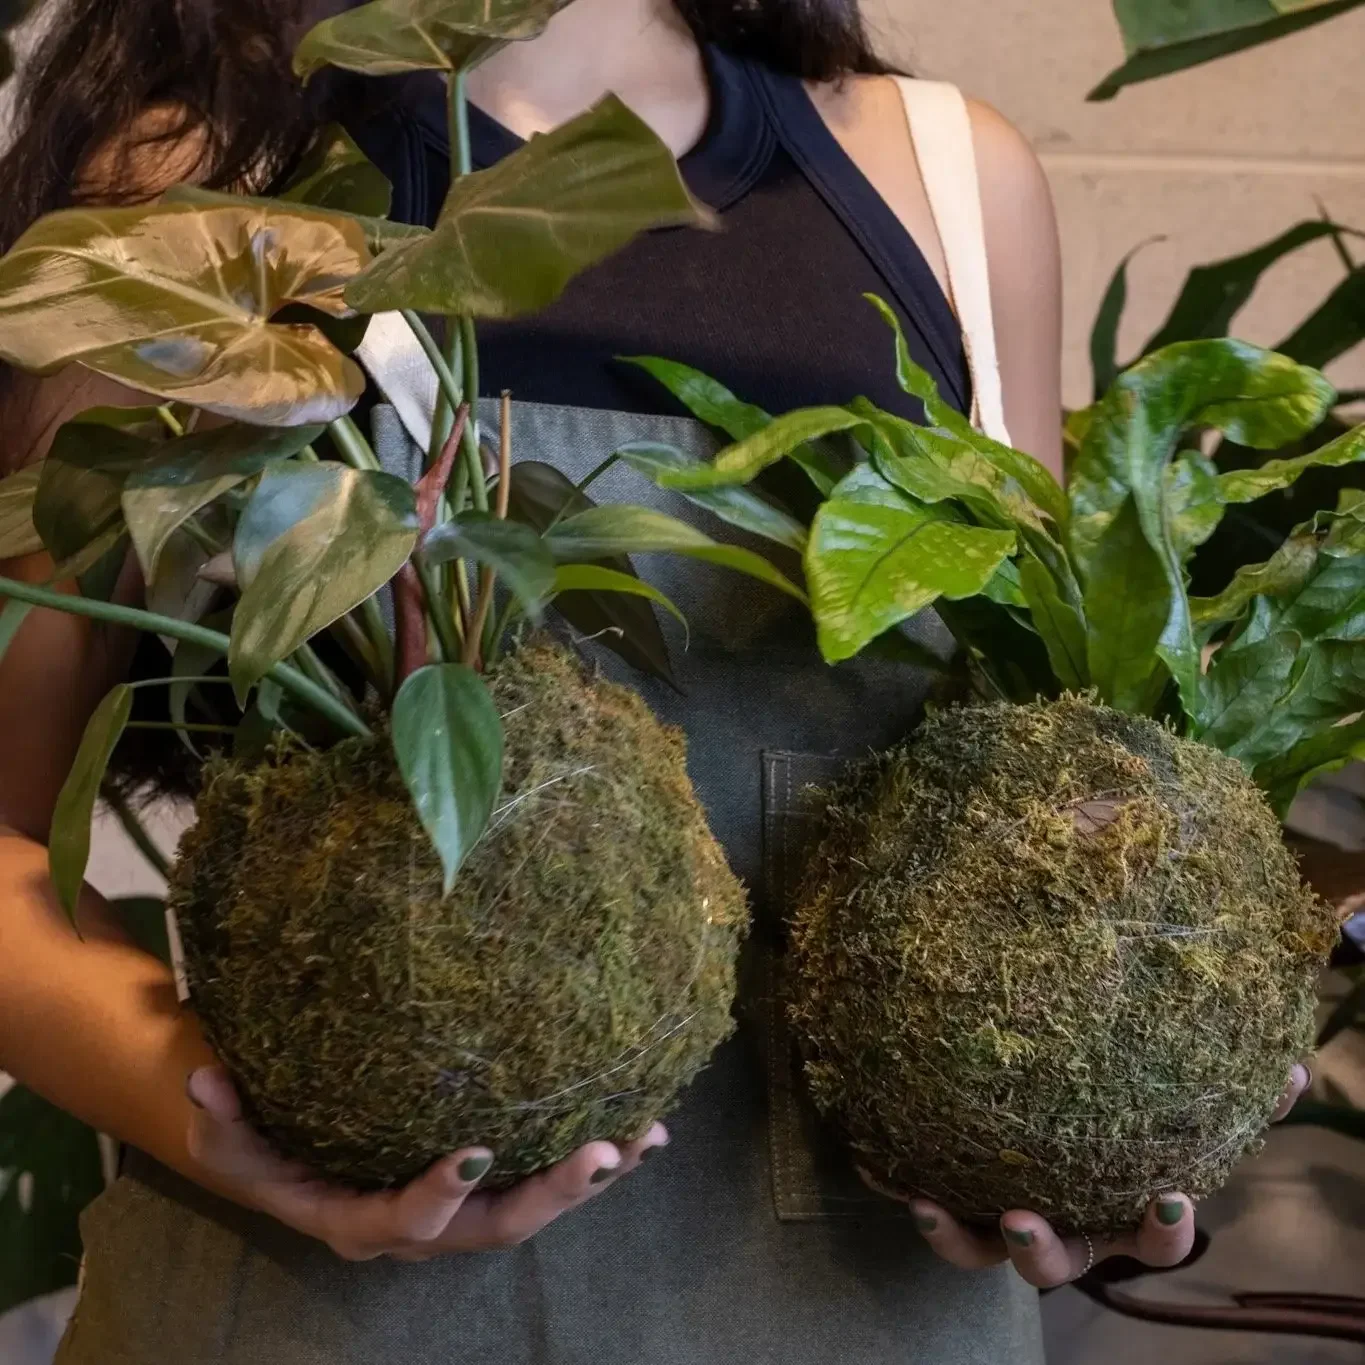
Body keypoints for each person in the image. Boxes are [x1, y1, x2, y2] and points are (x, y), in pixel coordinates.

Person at [0, 1, 1311, 1361]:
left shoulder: (951, 190)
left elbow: (1025, 782)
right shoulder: (200, 192)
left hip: (857, 1315)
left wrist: (1096, 1113)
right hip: (320, 1311)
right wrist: (209, 1119)